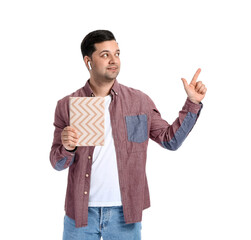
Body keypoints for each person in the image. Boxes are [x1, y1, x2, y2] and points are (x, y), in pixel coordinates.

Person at [50, 29, 207, 240]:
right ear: (88, 61)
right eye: (105, 55)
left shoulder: (139, 101)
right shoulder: (67, 105)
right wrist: (67, 148)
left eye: (117, 53)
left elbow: (171, 140)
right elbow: (57, 163)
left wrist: (193, 103)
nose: (113, 60)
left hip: (125, 215)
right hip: (80, 215)